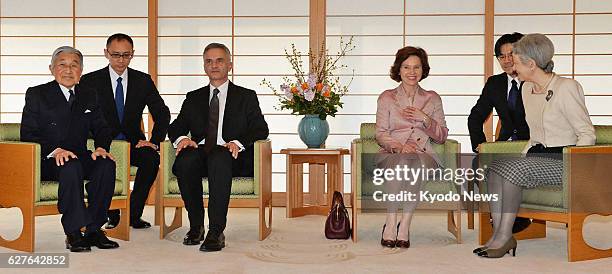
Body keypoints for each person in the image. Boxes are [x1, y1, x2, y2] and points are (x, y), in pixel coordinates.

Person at [475, 33, 595, 258]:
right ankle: (501, 235)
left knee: (512, 170)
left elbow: (586, 133)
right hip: (536, 156)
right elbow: (534, 136)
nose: (511, 65)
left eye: (516, 61)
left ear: (531, 64)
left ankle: (503, 237)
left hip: (563, 160)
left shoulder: (566, 87)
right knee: (493, 170)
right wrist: (522, 155)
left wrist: (578, 171)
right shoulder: (527, 89)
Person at [167, 43, 269, 252]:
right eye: (209, 61)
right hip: (201, 154)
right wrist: (181, 139)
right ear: (204, 66)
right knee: (186, 160)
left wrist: (237, 143)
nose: (214, 65)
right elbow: (176, 126)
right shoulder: (193, 97)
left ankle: (216, 231)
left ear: (229, 65)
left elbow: (260, 129)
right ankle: (196, 227)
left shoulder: (246, 96)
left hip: (230, 157)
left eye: (219, 60)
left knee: (220, 157)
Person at [20, 46, 119, 252]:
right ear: (51, 68)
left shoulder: (88, 94)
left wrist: (101, 147)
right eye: (62, 65)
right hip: (48, 159)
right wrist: (55, 150)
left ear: (81, 71)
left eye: (74, 65)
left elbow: (102, 127)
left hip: (80, 156)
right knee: (70, 165)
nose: (68, 70)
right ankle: (73, 232)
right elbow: (28, 134)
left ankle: (93, 229)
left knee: (106, 164)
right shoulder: (37, 94)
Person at [80, 33, 170, 229]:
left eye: (126, 55)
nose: (121, 60)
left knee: (152, 159)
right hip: (102, 144)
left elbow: (162, 113)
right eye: (116, 55)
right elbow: (79, 116)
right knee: (103, 166)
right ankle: (110, 213)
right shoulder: (89, 81)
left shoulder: (142, 80)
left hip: (133, 143)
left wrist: (154, 141)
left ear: (133, 55)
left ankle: (133, 214)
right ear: (106, 53)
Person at [376, 46, 448, 248]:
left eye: (417, 67)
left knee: (415, 165)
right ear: (398, 70)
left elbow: (442, 136)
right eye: (406, 67)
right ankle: (391, 223)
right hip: (392, 153)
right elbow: (380, 133)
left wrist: (425, 119)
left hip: (424, 154)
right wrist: (398, 147)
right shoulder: (387, 97)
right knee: (402, 163)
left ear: (423, 70)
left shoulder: (432, 98)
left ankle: (404, 225)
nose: (412, 72)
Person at [467, 32, 532, 233]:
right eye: (501, 56)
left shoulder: (534, 80)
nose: (506, 60)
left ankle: (515, 217)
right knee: (479, 163)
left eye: (511, 54)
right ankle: (503, 220)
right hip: (503, 144)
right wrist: (481, 145)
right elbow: (475, 116)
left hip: (531, 145)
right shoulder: (495, 83)